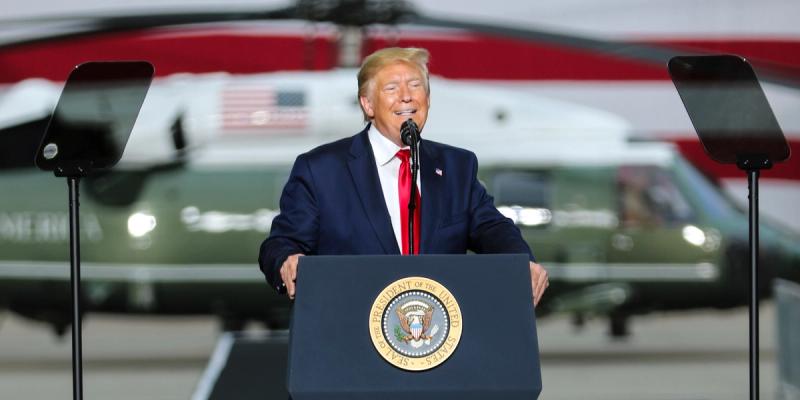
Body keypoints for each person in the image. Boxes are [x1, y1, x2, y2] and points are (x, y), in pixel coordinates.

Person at [258, 47, 548, 304]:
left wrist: (522, 262)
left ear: (428, 98)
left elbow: (492, 229)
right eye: (392, 88)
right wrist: (288, 260)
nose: (406, 96)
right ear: (368, 105)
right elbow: (281, 243)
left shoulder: (457, 166)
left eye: (415, 85)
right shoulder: (321, 169)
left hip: (436, 336)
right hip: (350, 330)